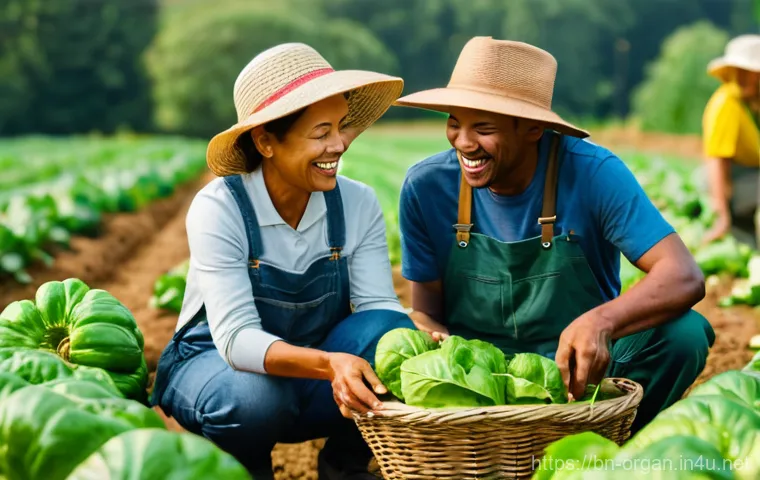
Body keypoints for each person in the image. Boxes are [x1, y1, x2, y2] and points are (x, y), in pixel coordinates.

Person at [394, 37, 715, 434]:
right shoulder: (426, 186)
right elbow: (425, 311)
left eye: (483, 128)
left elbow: (683, 275)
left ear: (532, 128)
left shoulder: (594, 173)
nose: (464, 142)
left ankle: (614, 448)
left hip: (581, 373)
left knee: (684, 334)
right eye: (454, 123)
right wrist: (434, 342)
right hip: (478, 385)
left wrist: (602, 321)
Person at [150, 42, 413, 480]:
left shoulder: (357, 203)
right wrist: (330, 364)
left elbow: (376, 308)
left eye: (342, 126)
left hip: (309, 377)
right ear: (266, 141)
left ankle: (344, 466)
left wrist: (415, 337)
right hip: (219, 370)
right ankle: (244, 470)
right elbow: (235, 340)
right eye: (321, 132)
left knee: (392, 337)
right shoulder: (221, 207)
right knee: (254, 399)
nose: (340, 144)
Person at [702, 34, 760, 248]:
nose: (745, 78)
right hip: (735, 179)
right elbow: (716, 160)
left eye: (751, 73)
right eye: (741, 72)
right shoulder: (726, 104)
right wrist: (721, 216)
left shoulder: (754, 103)